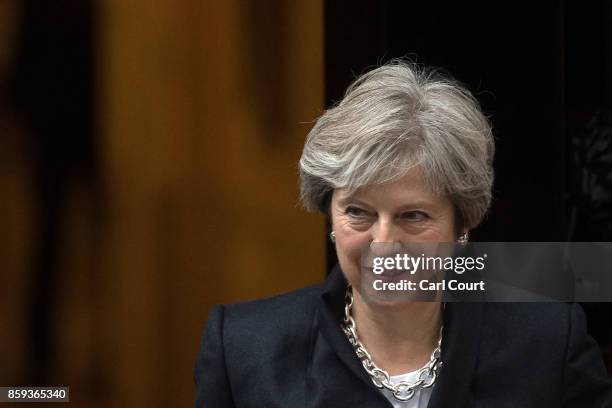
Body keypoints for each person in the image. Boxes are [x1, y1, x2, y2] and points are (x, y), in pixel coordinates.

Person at [194, 61, 612, 407]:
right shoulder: (245, 348)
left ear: (461, 224)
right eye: (358, 212)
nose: (385, 244)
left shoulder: (548, 343)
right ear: (331, 218)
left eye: (413, 216)